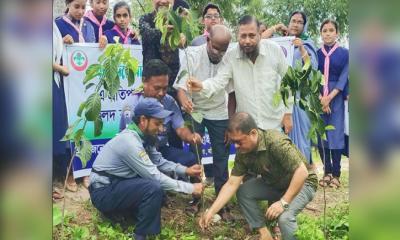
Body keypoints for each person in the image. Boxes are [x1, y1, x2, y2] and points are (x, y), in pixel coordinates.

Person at [89, 97, 204, 240]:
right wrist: (190, 188)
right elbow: (155, 176)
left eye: (162, 124)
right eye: (158, 123)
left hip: (116, 184)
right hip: (103, 192)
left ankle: (123, 214)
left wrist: (185, 170)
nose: (161, 129)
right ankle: (140, 235)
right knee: (153, 187)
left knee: (158, 194)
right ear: (143, 120)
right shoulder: (130, 142)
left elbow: (159, 162)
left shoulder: (145, 137)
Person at [199, 112, 317, 240]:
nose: (236, 146)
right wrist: (212, 211)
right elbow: (231, 184)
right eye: (234, 142)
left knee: (285, 218)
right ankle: (265, 235)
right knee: (244, 191)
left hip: (303, 183)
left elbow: (302, 172)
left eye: (239, 141)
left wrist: (283, 202)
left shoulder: (275, 141)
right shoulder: (243, 152)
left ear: (253, 133)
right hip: (276, 183)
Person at [187, 15, 293, 134]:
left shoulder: (274, 50)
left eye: (252, 35)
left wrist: (288, 113)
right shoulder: (231, 57)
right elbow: (219, 81)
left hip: (274, 126)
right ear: (237, 36)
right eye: (243, 36)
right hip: (247, 130)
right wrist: (202, 86)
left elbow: (289, 81)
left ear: (259, 34)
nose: (247, 41)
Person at [174, 24, 232, 219]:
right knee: (194, 154)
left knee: (221, 157)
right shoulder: (192, 55)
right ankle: (196, 198)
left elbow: (231, 94)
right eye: (216, 48)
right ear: (207, 40)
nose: (219, 53)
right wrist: (185, 103)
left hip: (219, 111)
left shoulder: (228, 57)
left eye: (223, 49)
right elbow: (180, 88)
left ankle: (221, 203)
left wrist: (231, 123)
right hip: (195, 111)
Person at [55, 0, 96, 189]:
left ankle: (85, 172)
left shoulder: (89, 26)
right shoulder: (58, 24)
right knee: (69, 126)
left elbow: (94, 50)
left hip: (85, 84)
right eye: (76, 6)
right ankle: (69, 173)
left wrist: (100, 44)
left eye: (82, 7)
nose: (80, 11)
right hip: (65, 83)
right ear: (67, 4)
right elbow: (53, 53)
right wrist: (63, 44)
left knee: (86, 122)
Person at [317, 19, 349, 189]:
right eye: (324, 30)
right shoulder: (316, 53)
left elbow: (345, 76)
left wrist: (330, 97)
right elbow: (313, 76)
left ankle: (336, 173)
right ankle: (326, 171)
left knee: (335, 135)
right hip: (318, 97)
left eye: (331, 30)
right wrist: (321, 97)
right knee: (321, 135)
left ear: (337, 33)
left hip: (336, 97)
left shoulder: (345, 54)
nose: (328, 33)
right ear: (320, 33)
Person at [286, 11, 318, 165]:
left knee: (302, 135)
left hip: (300, 99)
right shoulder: (282, 42)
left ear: (304, 26)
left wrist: (301, 49)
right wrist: (274, 28)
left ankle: (303, 173)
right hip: (283, 97)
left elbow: (312, 70)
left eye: (300, 22)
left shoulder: (308, 44)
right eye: (293, 20)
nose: (296, 24)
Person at [53, 21, 73, 194]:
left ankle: (59, 177)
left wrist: (64, 42)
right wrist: (59, 67)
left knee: (58, 129)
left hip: (54, 82)